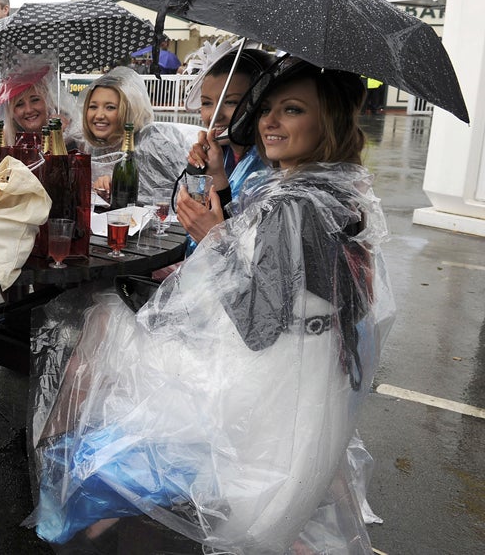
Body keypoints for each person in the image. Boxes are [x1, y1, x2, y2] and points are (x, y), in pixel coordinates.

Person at [29, 57, 392, 554]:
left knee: (97, 322)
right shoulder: (328, 188)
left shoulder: (295, 203)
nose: (269, 122)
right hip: (308, 377)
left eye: (292, 110)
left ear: (326, 120)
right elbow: (282, 272)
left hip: (262, 388)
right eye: (267, 109)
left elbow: (259, 326)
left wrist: (214, 238)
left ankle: (66, 493)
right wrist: (220, 181)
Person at [176, 45, 273, 247]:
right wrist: (200, 173)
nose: (215, 115)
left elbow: (245, 248)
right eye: (206, 103)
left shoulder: (270, 165)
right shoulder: (218, 154)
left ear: (258, 102)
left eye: (230, 102)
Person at [78, 66, 200, 204]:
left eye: (110, 107)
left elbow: (179, 195)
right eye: (93, 107)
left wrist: (120, 188)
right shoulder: (94, 149)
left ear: (130, 110)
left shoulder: (154, 145)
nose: (99, 115)